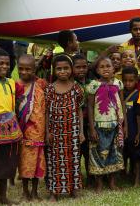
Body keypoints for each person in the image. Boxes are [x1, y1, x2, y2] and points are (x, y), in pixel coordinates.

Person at [45, 54, 84, 201]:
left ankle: (73, 189)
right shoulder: (49, 89)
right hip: (55, 132)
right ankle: (54, 193)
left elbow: (80, 110)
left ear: (71, 69)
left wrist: (80, 132)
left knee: (73, 160)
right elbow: (47, 112)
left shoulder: (77, 89)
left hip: (72, 130)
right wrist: (47, 132)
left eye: (66, 68)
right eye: (59, 69)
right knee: (55, 161)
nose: (63, 71)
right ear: (54, 70)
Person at [87, 56, 126, 192]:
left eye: (108, 66)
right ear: (97, 70)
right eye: (102, 67)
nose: (105, 69)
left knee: (114, 153)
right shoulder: (93, 85)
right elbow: (90, 107)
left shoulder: (118, 84)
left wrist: (124, 125)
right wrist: (92, 129)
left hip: (115, 125)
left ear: (114, 68)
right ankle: (99, 184)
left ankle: (112, 182)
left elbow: (121, 103)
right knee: (98, 154)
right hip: (99, 125)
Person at [16, 55, 47, 202]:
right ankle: (25, 191)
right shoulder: (15, 85)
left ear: (34, 70)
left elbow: (45, 108)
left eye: (28, 69)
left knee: (37, 163)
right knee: (24, 164)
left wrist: (47, 131)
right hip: (23, 132)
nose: (24, 72)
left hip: (39, 131)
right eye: (20, 68)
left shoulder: (41, 84)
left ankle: (35, 192)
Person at [0, 49, 22, 205]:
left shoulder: (11, 82)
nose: (4, 66)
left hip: (10, 128)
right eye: (0, 63)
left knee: (6, 162)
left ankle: (3, 197)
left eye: (7, 63)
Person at [72, 54, 93, 185]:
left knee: (89, 151)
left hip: (90, 122)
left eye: (84, 67)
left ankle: (91, 177)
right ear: (72, 68)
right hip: (75, 122)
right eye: (78, 67)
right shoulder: (71, 85)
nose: (81, 70)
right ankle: (76, 178)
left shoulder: (92, 83)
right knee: (77, 152)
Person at [122, 66, 140, 187]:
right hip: (122, 130)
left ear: (136, 81)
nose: (128, 83)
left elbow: (139, 116)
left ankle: (137, 179)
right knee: (124, 154)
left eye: (131, 81)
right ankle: (124, 176)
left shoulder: (138, 95)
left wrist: (139, 133)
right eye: (125, 81)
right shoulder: (120, 93)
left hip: (134, 130)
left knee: (136, 157)